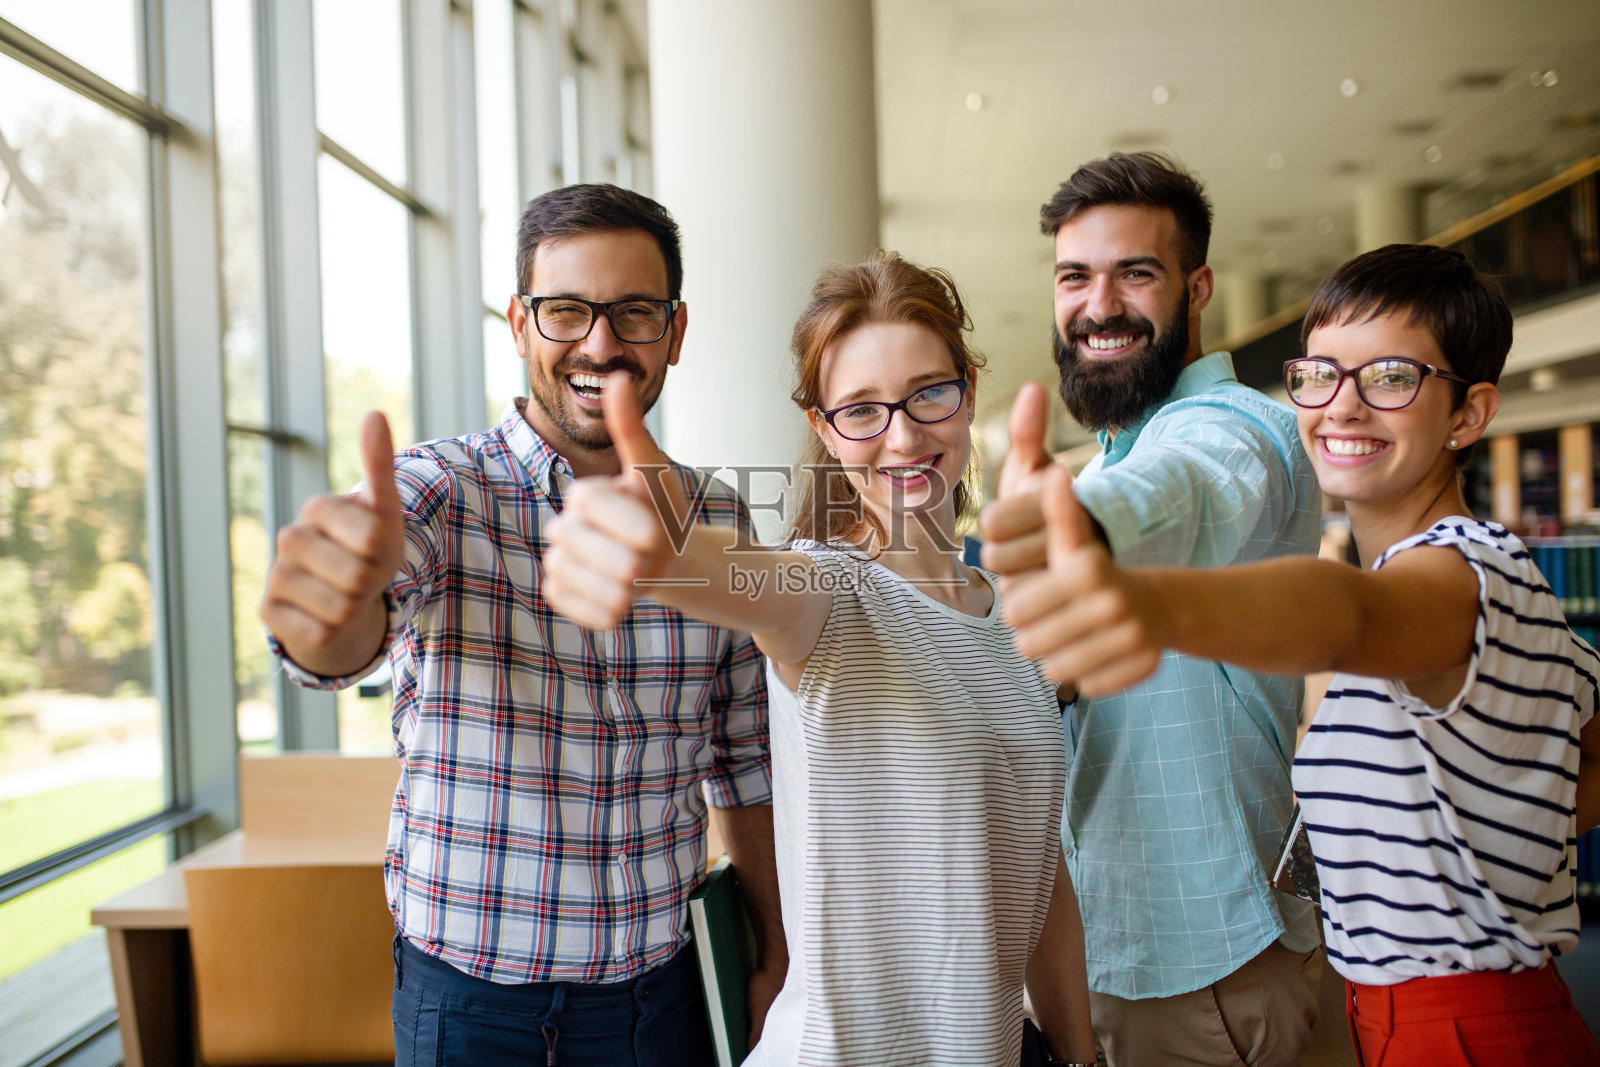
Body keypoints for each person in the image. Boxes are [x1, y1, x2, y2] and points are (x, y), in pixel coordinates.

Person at [1004, 242, 1600, 1065]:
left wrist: (1145, 602)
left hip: (1464, 1027)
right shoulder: (1487, 573)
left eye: (1391, 378)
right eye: (1322, 374)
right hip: (1396, 1008)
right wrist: (1496, 845)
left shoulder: (1456, 573)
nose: (1343, 407)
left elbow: (1345, 616)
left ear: (1468, 413)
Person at [259, 184, 786, 1067]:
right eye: (567, 311)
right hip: (470, 1007)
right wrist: (329, 609)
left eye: (635, 313)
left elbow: (744, 765)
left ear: (677, 330)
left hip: (663, 999)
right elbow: (348, 633)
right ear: (519, 322)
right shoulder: (438, 491)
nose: (602, 343)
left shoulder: (718, 522)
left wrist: (776, 948)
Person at [543, 252, 1098, 1066]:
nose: (903, 436)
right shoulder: (827, 593)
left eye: (927, 395)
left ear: (968, 389)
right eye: (862, 411)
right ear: (823, 429)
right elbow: (744, 579)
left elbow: (1038, 876)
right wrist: (666, 558)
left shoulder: (1013, 616)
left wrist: (1083, 1057)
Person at [979, 152, 1324, 1066]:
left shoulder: (1245, 429)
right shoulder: (1106, 460)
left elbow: (1192, 493)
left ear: (1196, 286)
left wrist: (1087, 529)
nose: (1099, 306)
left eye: (1136, 272)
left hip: (1210, 965)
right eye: (1075, 277)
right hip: (1110, 960)